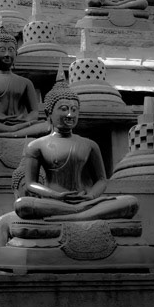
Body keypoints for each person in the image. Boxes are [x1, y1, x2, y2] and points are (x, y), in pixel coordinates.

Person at [13, 84, 139, 222]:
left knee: (131, 202)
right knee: (22, 205)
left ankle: (76, 213)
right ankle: (81, 214)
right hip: (55, 202)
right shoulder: (36, 145)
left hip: (85, 201)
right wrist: (56, 195)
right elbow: (30, 183)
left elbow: (102, 180)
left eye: (74, 110)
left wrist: (91, 197)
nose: (70, 114)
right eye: (64, 109)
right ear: (49, 113)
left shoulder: (89, 145)